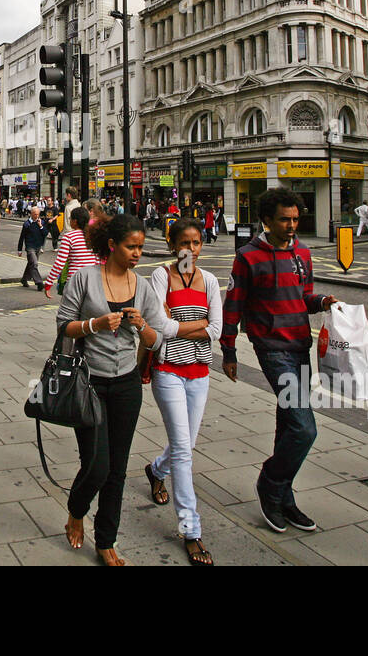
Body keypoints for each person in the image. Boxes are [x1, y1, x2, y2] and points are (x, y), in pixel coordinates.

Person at [56, 214, 175, 565]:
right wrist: (94, 324)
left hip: (126, 384)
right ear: (112, 246)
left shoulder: (143, 287)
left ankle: (106, 540)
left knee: (117, 469)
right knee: (96, 465)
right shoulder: (85, 278)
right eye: (131, 247)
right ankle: (76, 510)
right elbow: (64, 325)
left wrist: (143, 328)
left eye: (141, 247)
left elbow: (156, 343)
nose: (138, 253)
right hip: (87, 383)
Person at [221, 188, 337, 533]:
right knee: (304, 427)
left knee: (288, 424)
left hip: (300, 345)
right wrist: (228, 350)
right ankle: (270, 484)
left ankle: (284, 498)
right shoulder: (247, 256)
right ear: (266, 221)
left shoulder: (302, 251)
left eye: (295, 219)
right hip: (272, 349)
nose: (291, 225)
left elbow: (304, 296)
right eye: (284, 220)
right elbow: (234, 304)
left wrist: (323, 302)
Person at [143, 218, 225, 565]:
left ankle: (156, 471)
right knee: (184, 450)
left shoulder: (209, 280)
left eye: (196, 243)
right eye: (184, 243)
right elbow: (160, 327)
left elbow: (217, 330)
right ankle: (191, 529)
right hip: (168, 371)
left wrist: (180, 326)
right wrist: (199, 325)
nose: (190, 249)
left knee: (185, 444)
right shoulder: (161, 276)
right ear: (171, 244)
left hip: (199, 373)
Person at [43, 206, 97, 296]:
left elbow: (60, 262)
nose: (69, 220)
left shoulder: (69, 237)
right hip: (92, 282)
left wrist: (49, 283)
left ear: (75, 221)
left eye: (70, 218)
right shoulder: (93, 236)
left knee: (68, 310)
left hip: (74, 282)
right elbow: (98, 260)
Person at [17, 205, 47, 289]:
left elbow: (45, 234)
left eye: (38, 214)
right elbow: (21, 237)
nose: (36, 216)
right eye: (35, 214)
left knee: (31, 264)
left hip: (38, 246)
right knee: (34, 263)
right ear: (31, 214)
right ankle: (39, 283)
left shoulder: (42, 222)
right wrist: (19, 250)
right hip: (30, 247)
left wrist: (41, 226)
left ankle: (24, 279)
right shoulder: (27, 224)